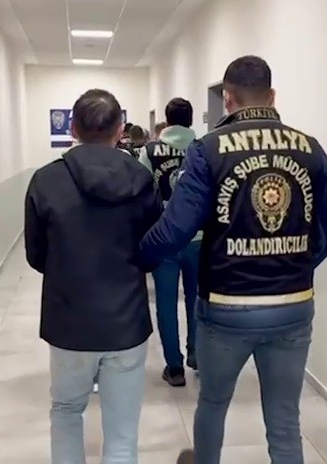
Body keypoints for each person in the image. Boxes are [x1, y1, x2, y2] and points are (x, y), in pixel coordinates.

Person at [140, 56, 327, 464]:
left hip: (227, 308)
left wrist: (136, 257)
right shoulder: (311, 148)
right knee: (285, 420)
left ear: (228, 99)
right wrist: (294, 266)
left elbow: (176, 230)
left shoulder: (208, 150)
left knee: (213, 403)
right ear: (272, 96)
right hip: (292, 306)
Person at [25, 89, 163, 464]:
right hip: (126, 323)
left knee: (66, 412)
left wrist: (69, 270)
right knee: (122, 433)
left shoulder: (45, 181)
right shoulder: (141, 179)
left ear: (72, 128)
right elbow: (152, 247)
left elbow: (36, 255)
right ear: (120, 130)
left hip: (68, 322)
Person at [138, 98, 201, 387]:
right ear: (190, 120)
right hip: (198, 238)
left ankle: (174, 367)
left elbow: (141, 192)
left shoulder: (150, 151)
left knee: (165, 302)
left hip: (164, 237)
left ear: (167, 119)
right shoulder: (203, 148)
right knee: (196, 299)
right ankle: (196, 354)